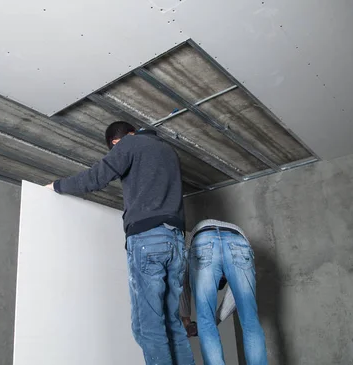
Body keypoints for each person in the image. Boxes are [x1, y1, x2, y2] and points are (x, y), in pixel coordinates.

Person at [45, 122, 195, 365]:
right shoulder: (168, 151)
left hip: (148, 239)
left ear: (116, 142)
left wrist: (56, 186)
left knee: (147, 327)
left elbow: (95, 178)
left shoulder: (129, 144)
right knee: (173, 324)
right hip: (175, 241)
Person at [188, 219, 268, 365]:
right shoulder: (231, 268)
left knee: (206, 323)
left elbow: (181, 284)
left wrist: (185, 316)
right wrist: (216, 319)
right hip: (237, 238)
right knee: (250, 321)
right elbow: (236, 299)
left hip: (204, 237)